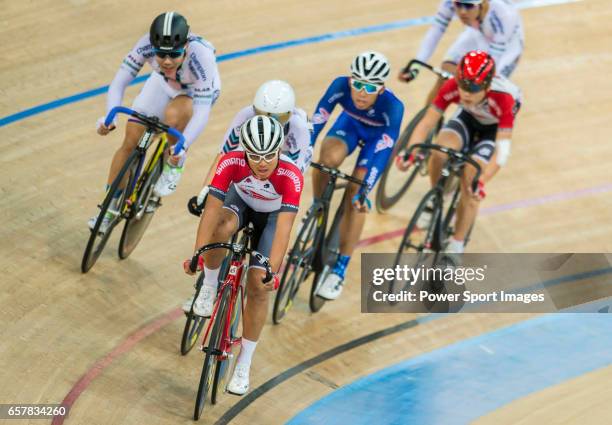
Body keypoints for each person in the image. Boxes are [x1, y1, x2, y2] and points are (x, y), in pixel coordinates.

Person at [183, 115, 303, 395]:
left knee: (258, 285)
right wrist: (197, 255)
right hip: (241, 203)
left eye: (270, 155)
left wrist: (272, 271)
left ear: (280, 151)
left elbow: (283, 230)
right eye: (255, 155)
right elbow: (211, 211)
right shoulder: (232, 161)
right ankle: (210, 287)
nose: (262, 163)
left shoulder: (291, 175)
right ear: (244, 151)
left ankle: (243, 364)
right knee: (221, 227)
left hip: (271, 218)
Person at [90, 11, 221, 232]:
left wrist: (182, 146)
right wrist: (109, 116)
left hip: (193, 94)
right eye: (161, 54)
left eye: (174, 55)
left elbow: (201, 113)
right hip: (162, 84)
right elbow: (118, 83)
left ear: (186, 47)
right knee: (131, 139)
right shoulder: (145, 44)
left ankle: (172, 162)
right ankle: (108, 207)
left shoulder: (201, 56)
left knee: (172, 117)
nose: (167, 61)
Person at [397, 50, 521, 253]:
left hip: (492, 131)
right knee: (438, 153)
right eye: (463, 86)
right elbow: (427, 122)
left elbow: (502, 151)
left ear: (487, 86)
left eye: (473, 89)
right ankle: (438, 198)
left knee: (471, 184)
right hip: (467, 118)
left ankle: (456, 246)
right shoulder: (453, 86)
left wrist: (481, 182)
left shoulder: (504, 99)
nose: (466, 93)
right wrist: (410, 152)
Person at [310, 51, 404, 300]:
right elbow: (319, 118)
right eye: (358, 84)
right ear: (351, 81)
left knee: (356, 196)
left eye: (370, 87)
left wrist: (365, 189)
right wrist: (304, 148)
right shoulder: (340, 85)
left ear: (381, 89)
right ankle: (317, 207)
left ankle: (340, 268)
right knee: (326, 160)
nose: (362, 93)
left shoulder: (393, 108)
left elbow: (383, 154)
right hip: (349, 127)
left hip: (376, 142)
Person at [187, 80, 312, 216]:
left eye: (276, 118)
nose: (267, 122)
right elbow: (224, 154)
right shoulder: (246, 115)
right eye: (260, 114)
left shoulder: (299, 129)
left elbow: (292, 179)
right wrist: (205, 191)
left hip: (289, 151)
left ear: (288, 115)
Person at [398, 0, 523, 103]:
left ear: (483, 3)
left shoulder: (503, 15)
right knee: (445, 73)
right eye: (458, 4)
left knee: (482, 93)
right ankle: (426, 122)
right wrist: (417, 65)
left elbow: (494, 60)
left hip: (507, 48)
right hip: (478, 34)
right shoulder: (449, 2)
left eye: (469, 6)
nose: (462, 11)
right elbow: (436, 31)